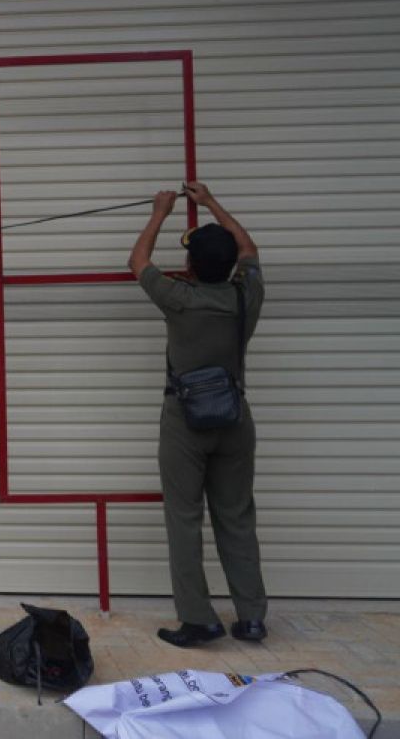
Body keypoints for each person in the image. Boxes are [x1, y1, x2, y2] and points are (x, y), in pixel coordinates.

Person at [128, 181, 268, 648]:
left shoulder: (179, 298)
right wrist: (209, 203)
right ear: (228, 265)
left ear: (188, 266)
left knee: (184, 519)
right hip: (234, 419)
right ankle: (250, 618)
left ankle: (199, 619)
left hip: (185, 421)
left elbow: (138, 261)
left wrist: (160, 212)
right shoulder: (244, 296)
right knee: (237, 516)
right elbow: (248, 246)